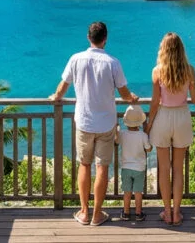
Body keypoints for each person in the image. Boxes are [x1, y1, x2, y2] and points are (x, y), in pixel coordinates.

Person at [50, 21, 138, 227]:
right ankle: (98, 214)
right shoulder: (113, 63)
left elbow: (63, 85)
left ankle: (84, 212)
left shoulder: (76, 59)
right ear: (105, 39)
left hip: (84, 122)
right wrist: (131, 98)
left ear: (88, 38)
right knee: (102, 168)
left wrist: (56, 97)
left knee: (84, 165)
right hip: (106, 123)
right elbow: (124, 93)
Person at [145, 32, 195, 226]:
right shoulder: (190, 70)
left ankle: (167, 212)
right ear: (181, 49)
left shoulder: (157, 71)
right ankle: (177, 213)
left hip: (163, 116)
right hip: (182, 116)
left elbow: (155, 102)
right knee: (178, 169)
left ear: (163, 49)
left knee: (164, 169)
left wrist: (148, 124)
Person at [115, 105, 152, 222]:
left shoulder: (123, 134)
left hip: (126, 168)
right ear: (140, 122)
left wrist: (117, 129)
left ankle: (126, 213)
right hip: (139, 168)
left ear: (126, 122)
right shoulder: (143, 135)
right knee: (138, 192)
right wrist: (146, 128)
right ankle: (138, 213)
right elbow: (149, 149)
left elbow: (116, 141)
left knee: (127, 191)